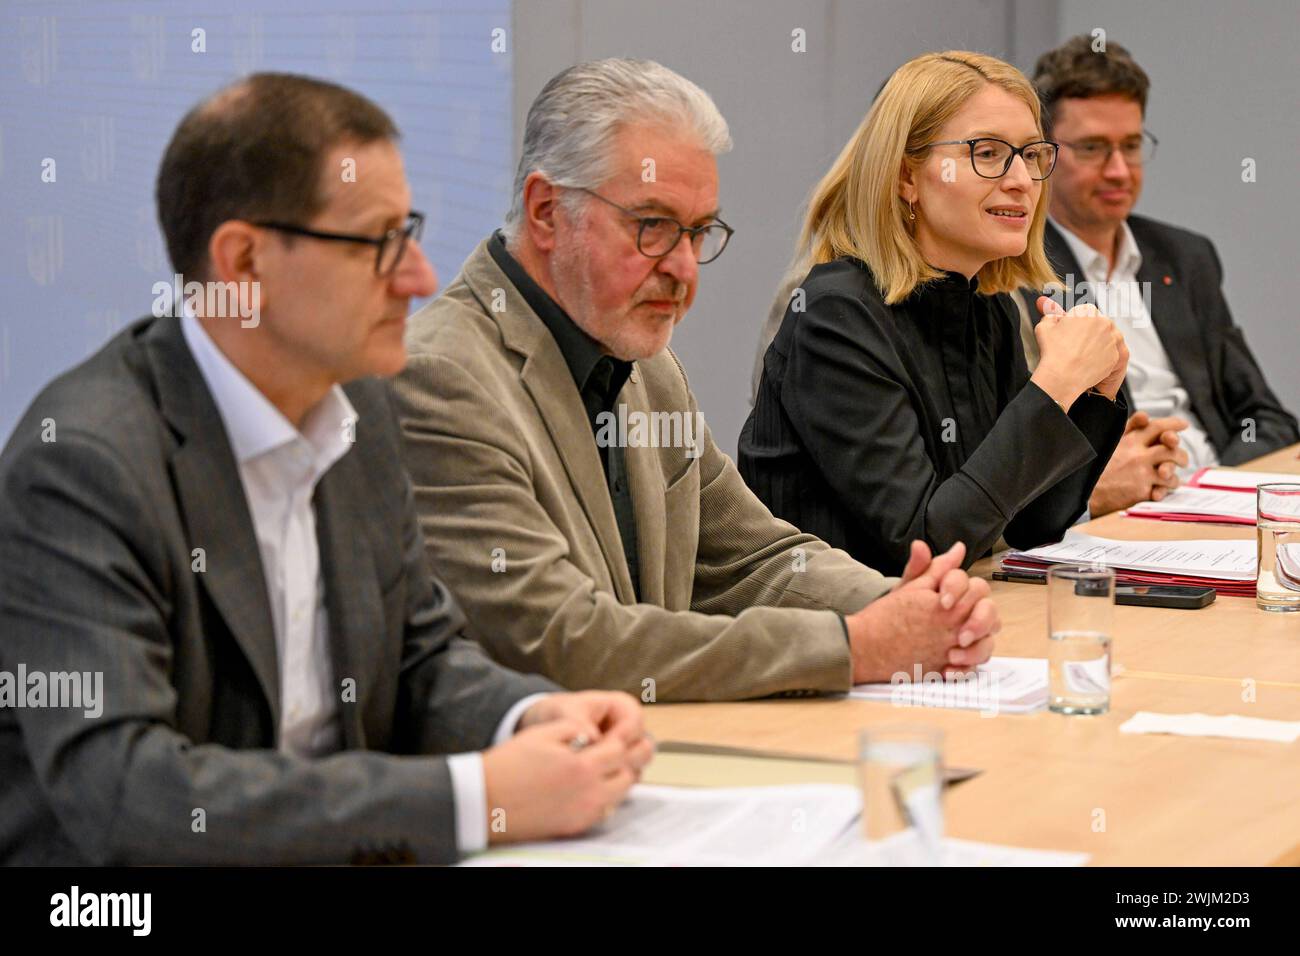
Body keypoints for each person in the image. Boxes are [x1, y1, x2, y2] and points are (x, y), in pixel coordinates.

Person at [0, 73, 652, 865]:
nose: (418, 277)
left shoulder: (361, 413)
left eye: (408, 233)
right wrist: (477, 797)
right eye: (378, 242)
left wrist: (532, 721)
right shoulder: (84, 463)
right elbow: (131, 796)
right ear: (242, 261)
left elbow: (420, 659)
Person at [392, 58, 999, 703]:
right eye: (652, 227)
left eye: (699, 232)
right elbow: (562, 641)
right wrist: (855, 647)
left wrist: (908, 605)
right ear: (547, 212)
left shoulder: (647, 364)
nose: (684, 269)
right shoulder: (440, 377)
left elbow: (752, 560)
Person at [739, 51, 1130, 577]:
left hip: (946, 628)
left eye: (1032, 155)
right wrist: (1053, 386)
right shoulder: (836, 316)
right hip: (837, 642)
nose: (1022, 181)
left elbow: (1031, 524)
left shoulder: (987, 306)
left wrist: (1093, 395)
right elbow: (925, 546)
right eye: (989, 153)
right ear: (906, 176)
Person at [1015, 35, 1298, 516]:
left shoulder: (1185, 257)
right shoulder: (1019, 268)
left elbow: (1266, 416)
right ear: (1045, 156)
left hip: (1217, 497)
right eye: (1093, 149)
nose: (1119, 170)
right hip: (1112, 511)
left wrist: (1217, 490)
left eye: (1130, 145)